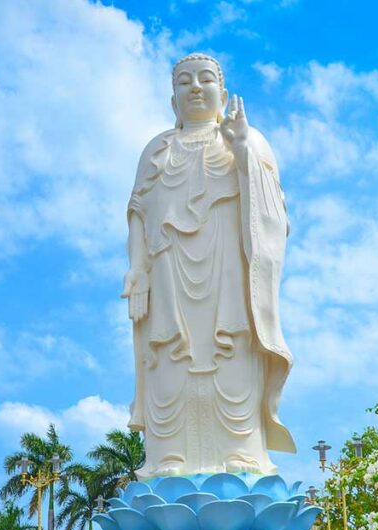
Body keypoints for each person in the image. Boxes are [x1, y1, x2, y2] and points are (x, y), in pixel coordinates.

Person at [122, 53, 296, 479]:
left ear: (222, 92)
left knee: (233, 348)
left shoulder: (246, 139)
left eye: (205, 79)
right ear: (173, 99)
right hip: (168, 271)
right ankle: (167, 456)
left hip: (228, 268)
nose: (195, 87)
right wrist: (138, 268)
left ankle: (241, 452)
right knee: (168, 354)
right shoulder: (156, 150)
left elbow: (275, 216)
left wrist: (242, 150)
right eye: (184, 82)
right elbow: (139, 213)